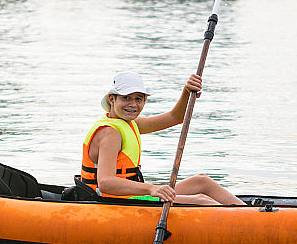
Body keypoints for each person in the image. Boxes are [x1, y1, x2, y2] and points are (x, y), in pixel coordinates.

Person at [80, 71, 246, 205]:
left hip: (129, 195)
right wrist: (151, 189)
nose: (133, 104)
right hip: (113, 200)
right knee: (202, 201)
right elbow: (106, 183)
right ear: (112, 99)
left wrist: (187, 91)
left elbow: (175, 117)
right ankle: (242, 224)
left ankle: (248, 213)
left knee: (202, 182)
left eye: (138, 99)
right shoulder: (110, 133)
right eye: (126, 98)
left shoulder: (129, 124)